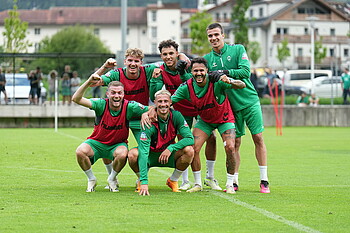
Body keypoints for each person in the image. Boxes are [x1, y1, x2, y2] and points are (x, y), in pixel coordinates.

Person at [203, 22, 270, 193]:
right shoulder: (207, 59)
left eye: (216, 34)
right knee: (236, 143)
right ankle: (234, 181)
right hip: (231, 106)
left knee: (258, 138)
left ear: (223, 35)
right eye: (210, 36)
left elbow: (245, 71)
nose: (214, 38)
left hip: (249, 101)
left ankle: (264, 180)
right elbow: (199, 76)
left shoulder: (238, 49)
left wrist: (225, 72)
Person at [149, 39, 218, 191]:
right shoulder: (160, 71)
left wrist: (184, 65)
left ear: (177, 54)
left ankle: (210, 177)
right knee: (185, 143)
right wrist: (154, 79)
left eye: (171, 53)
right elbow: (153, 94)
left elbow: (196, 82)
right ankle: (185, 180)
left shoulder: (188, 66)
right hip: (180, 111)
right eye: (164, 54)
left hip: (200, 108)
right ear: (161, 56)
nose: (168, 57)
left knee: (212, 138)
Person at [172, 57, 246, 194]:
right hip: (205, 121)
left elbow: (242, 85)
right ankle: (198, 183)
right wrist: (150, 111)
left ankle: (230, 184)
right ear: (191, 72)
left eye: (201, 70)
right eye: (195, 71)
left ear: (207, 71)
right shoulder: (186, 87)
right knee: (193, 148)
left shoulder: (216, 81)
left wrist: (228, 80)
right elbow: (168, 101)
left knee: (230, 147)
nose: (198, 73)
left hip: (224, 119)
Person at [72, 76, 150, 192]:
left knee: (123, 154)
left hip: (117, 145)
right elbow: (76, 99)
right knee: (80, 151)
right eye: (113, 93)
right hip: (97, 143)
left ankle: (112, 179)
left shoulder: (130, 106)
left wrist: (145, 113)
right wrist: (88, 82)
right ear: (107, 94)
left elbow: (153, 108)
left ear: (123, 94)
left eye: (119, 93)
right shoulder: (101, 104)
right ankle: (91, 179)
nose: (116, 96)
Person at [128, 90, 194, 196]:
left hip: (169, 155)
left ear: (170, 102)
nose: (163, 104)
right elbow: (144, 151)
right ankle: (140, 180)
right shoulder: (148, 121)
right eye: (160, 102)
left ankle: (173, 180)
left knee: (189, 151)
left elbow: (190, 138)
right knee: (132, 154)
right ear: (155, 103)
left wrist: (171, 148)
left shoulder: (176, 116)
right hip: (151, 155)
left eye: (165, 101)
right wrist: (144, 181)